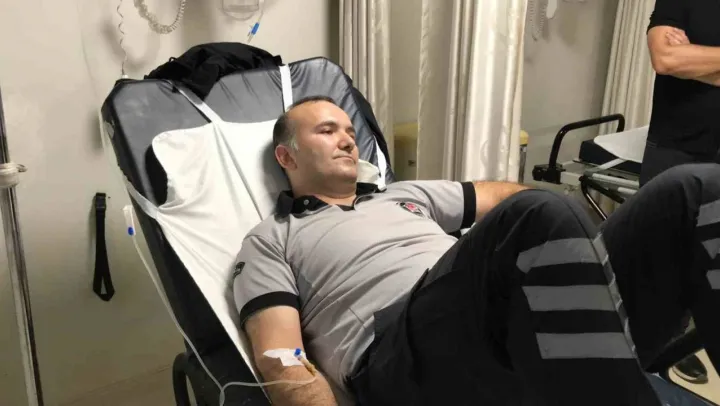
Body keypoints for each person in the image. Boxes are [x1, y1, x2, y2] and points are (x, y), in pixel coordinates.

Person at [233, 96, 720, 406]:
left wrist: (578, 249)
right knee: (539, 210)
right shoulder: (272, 237)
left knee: (695, 191)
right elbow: (281, 357)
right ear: (286, 156)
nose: (347, 141)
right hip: (400, 353)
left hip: (506, 325)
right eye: (326, 131)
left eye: (348, 131)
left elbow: (503, 196)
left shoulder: (404, 195)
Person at [642, 0, 720, 383]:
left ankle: (679, 341)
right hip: (674, 147)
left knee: (710, 262)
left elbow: (682, 61)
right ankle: (643, 343)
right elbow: (666, 59)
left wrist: (698, 60)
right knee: (656, 258)